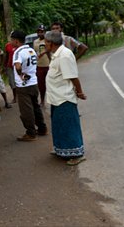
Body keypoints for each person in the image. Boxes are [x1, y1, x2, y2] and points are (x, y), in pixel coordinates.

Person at [44, 31, 87, 166]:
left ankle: (76, 154)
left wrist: (79, 92)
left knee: (69, 126)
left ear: (51, 43)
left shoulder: (64, 55)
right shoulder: (56, 55)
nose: (44, 44)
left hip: (64, 98)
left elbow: (73, 77)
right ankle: (61, 150)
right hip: (57, 97)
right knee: (59, 126)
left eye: (46, 42)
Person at [11, 30, 47, 141]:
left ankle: (30, 133)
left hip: (23, 86)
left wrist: (22, 75)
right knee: (35, 107)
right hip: (33, 83)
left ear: (16, 41)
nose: (11, 42)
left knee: (26, 111)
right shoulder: (31, 49)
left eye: (12, 40)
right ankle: (42, 128)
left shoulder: (18, 52)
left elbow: (17, 66)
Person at [33, 25, 51, 107]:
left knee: (50, 83)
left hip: (48, 65)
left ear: (45, 32)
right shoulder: (35, 42)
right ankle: (42, 100)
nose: (40, 33)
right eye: (39, 32)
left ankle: (52, 100)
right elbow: (35, 52)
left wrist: (43, 53)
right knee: (41, 85)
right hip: (39, 65)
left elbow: (49, 50)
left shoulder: (48, 40)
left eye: (42, 31)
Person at [3, 39, 17, 103]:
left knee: (19, 82)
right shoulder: (8, 45)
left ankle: (20, 96)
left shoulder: (19, 45)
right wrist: (4, 66)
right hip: (10, 66)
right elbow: (6, 56)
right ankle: (15, 97)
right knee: (12, 82)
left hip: (19, 66)